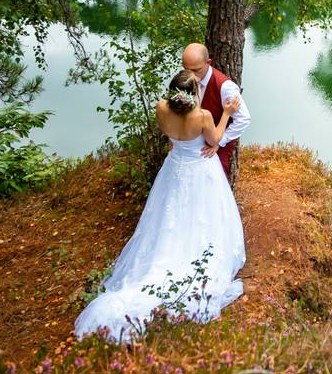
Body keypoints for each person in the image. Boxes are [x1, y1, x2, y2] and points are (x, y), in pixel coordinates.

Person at [74, 70, 246, 342]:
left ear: (172, 92)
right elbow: (214, 141)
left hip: (174, 167)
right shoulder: (202, 117)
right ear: (194, 94)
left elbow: (171, 137)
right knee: (200, 216)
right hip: (199, 170)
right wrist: (227, 112)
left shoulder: (161, 108)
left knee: (168, 218)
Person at [181, 43, 251, 181]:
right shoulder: (184, 81)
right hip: (191, 147)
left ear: (208, 63)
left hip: (215, 150)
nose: (191, 76)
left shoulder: (226, 87)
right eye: (186, 70)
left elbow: (244, 119)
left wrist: (219, 142)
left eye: (196, 70)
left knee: (213, 185)